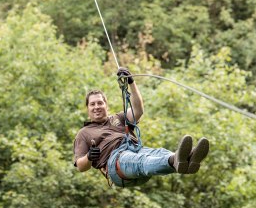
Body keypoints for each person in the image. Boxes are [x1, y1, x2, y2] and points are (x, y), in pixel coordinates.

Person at [73, 67, 209, 187]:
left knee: (159, 153)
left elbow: (138, 111)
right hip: (116, 163)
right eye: (92, 104)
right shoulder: (84, 133)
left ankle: (187, 160)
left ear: (106, 106)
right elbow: (80, 166)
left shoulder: (118, 118)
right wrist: (89, 157)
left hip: (136, 150)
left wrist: (131, 82)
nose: (96, 107)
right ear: (87, 108)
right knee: (141, 161)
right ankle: (176, 160)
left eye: (100, 103)